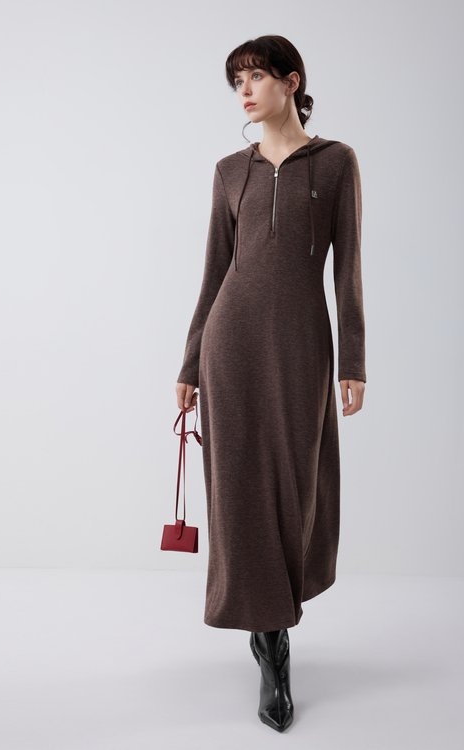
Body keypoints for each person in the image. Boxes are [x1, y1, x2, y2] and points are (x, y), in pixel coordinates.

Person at [174, 35, 366, 732]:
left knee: (295, 485)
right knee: (241, 490)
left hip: (301, 346)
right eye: (237, 83)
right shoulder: (231, 171)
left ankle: (276, 620)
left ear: (291, 81)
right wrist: (190, 362)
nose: (245, 92)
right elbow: (213, 274)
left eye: (255, 77)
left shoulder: (336, 163)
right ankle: (272, 645)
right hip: (231, 346)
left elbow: (348, 271)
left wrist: (353, 361)